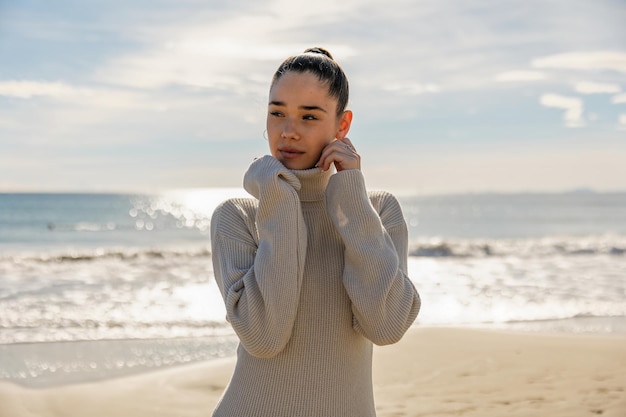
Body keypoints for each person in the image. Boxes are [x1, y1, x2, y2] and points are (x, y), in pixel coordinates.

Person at [210, 47, 420, 417]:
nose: (288, 131)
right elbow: (264, 336)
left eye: (309, 116)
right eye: (277, 113)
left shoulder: (376, 211)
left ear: (343, 125)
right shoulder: (237, 217)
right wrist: (278, 195)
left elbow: (386, 326)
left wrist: (351, 195)